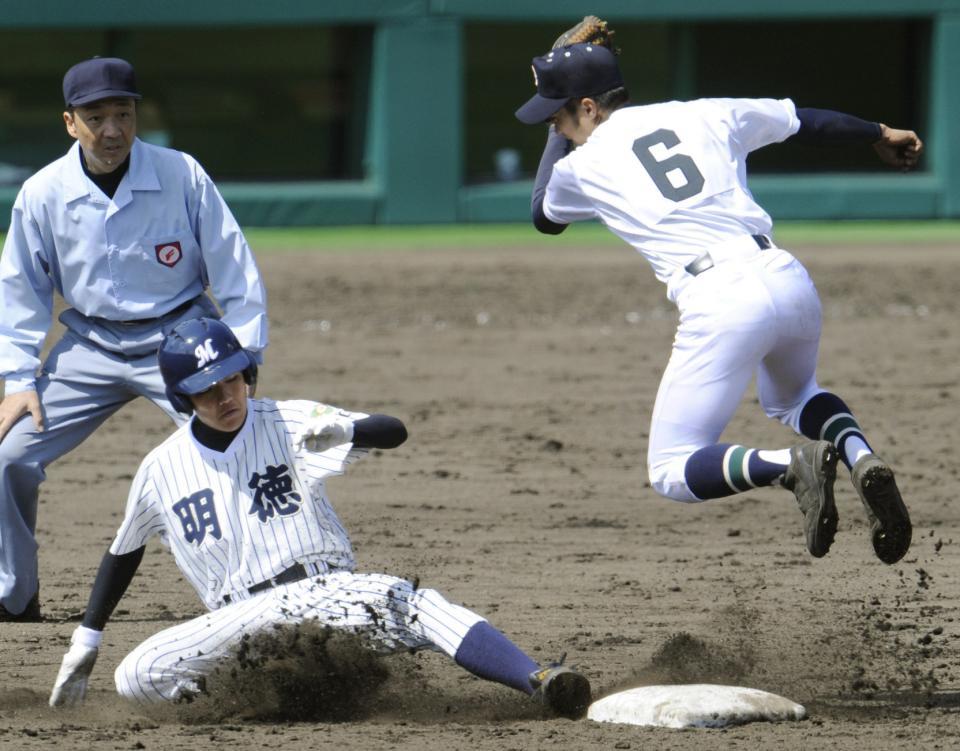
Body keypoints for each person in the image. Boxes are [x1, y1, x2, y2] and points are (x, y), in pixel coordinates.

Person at [47, 318, 592, 719]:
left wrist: (352, 431)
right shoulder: (160, 467)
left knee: (416, 604)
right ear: (182, 398)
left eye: (233, 380)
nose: (225, 395)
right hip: (239, 629)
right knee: (135, 676)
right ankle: (269, 700)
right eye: (207, 389)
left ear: (248, 374)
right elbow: (125, 549)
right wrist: (86, 641)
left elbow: (394, 430)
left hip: (326, 593)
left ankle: (539, 677)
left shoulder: (288, 420)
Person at [515, 42, 919, 564]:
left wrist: (558, 141)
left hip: (720, 298)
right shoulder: (702, 112)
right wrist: (880, 133)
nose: (557, 127)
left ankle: (787, 466)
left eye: (558, 116)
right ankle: (860, 458)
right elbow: (804, 121)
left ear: (589, 107)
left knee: (671, 469)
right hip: (785, 274)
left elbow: (543, 215)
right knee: (796, 397)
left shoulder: (583, 166)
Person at [0, 57, 268, 620]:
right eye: (96, 116)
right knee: (8, 457)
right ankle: (13, 595)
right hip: (89, 347)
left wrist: (241, 356)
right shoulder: (43, 192)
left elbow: (235, 269)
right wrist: (19, 379)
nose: (113, 129)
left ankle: (260, 586)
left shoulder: (181, 174)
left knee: (240, 448)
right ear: (70, 122)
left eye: (124, 113)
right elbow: (20, 290)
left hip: (182, 339)